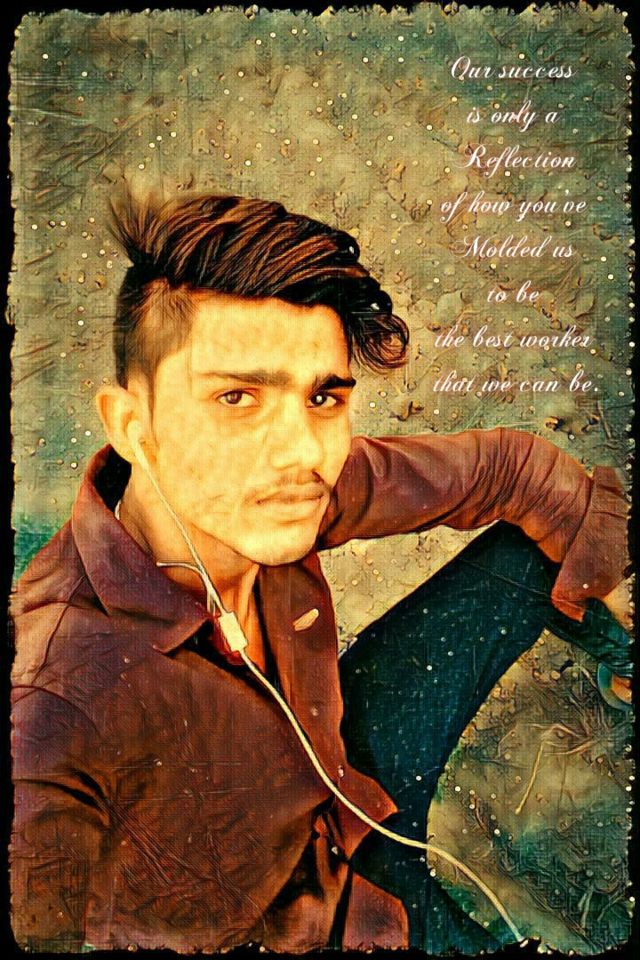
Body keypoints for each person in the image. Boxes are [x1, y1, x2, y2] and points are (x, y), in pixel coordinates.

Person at [10, 191, 631, 953]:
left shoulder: (264, 492)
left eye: (323, 396)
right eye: (237, 397)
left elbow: (512, 469)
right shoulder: (54, 699)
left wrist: (616, 603)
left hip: (350, 808)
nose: (304, 452)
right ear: (134, 427)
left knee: (537, 546)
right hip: (311, 933)